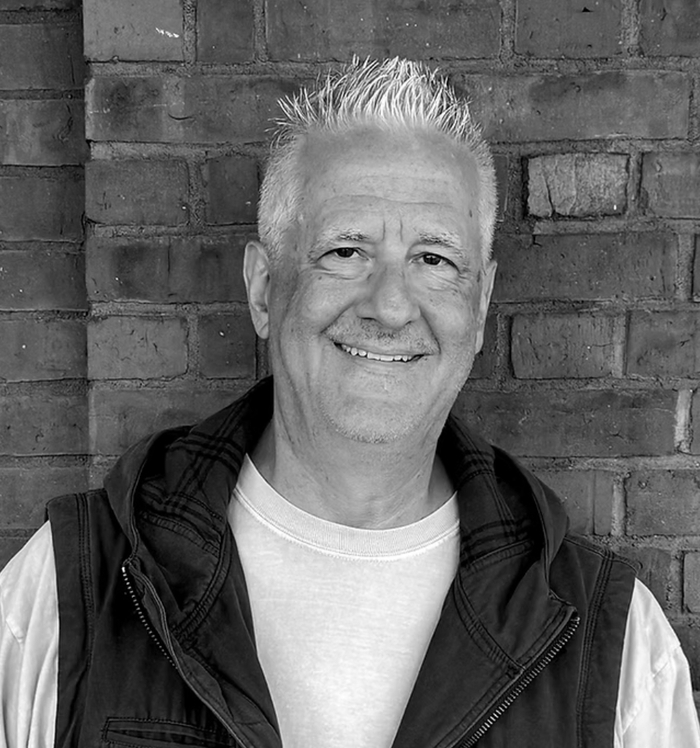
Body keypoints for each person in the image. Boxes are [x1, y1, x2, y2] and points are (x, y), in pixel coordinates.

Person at [0, 57, 698, 748]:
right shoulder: (66, 599)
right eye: (345, 251)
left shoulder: (613, 651)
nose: (390, 306)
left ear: (481, 304)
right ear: (263, 288)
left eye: (433, 259)